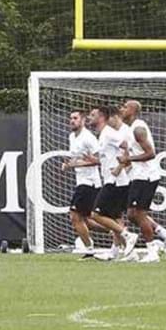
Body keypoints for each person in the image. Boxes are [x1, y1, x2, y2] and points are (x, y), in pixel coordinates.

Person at [118, 100, 166, 262]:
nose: (121, 109)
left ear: (132, 110)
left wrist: (128, 158)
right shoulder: (130, 129)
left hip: (146, 176)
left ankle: (152, 251)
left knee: (139, 214)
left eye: (124, 107)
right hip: (138, 175)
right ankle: (164, 233)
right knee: (131, 215)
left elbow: (151, 153)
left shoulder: (138, 128)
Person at [89, 105, 138, 260]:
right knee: (116, 218)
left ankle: (128, 236)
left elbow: (128, 147)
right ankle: (124, 253)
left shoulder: (110, 133)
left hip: (115, 181)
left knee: (96, 215)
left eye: (93, 114)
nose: (90, 117)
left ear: (102, 117)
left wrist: (120, 166)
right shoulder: (103, 134)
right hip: (113, 180)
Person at [63, 109, 103, 258]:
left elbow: (99, 160)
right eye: (70, 118)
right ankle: (118, 231)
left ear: (83, 120)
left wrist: (76, 165)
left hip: (90, 183)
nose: (72, 121)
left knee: (74, 216)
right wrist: (68, 165)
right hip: (81, 181)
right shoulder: (72, 137)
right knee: (87, 219)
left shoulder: (89, 138)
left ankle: (89, 248)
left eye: (75, 118)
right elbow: (76, 159)